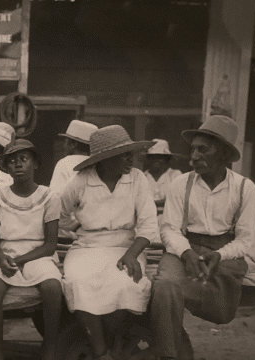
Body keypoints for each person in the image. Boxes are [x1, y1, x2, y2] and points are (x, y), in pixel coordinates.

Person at [150, 115, 255, 360]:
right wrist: (186, 253)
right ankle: (169, 355)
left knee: (221, 309)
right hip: (184, 247)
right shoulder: (180, 184)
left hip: (225, 251)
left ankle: (171, 320)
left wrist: (219, 255)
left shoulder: (245, 188)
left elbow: (244, 240)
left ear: (222, 153)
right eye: (193, 150)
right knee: (165, 286)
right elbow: (169, 229)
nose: (194, 157)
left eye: (203, 150)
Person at [58, 125, 159, 360]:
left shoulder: (137, 179)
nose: (130, 160)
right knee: (78, 282)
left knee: (125, 285)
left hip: (126, 246)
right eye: (124, 155)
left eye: (130, 154)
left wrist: (133, 254)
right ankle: (101, 350)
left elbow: (148, 224)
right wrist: (75, 227)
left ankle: (112, 340)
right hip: (87, 246)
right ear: (105, 159)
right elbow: (60, 214)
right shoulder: (81, 181)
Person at [0, 139, 63, 360]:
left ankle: (50, 347)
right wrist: (2, 258)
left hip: (39, 254)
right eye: (12, 161)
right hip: (6, 253)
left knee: (52, 286)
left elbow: (50, 245)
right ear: (6, 168)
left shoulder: (49, 197)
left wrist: (20, 261)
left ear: (35, 164)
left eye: (23, 159)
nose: (17, 164)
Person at [49, 120, 98, 193]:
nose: (64, 145)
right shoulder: (98, 163)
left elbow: (56, 197)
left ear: (73, 144)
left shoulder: (65, 163)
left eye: (66, 141)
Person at [143, 139, 182, 208]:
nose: (156, 160)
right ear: (148, 159)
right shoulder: (142, 177)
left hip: (169, 217)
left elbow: (177, 199)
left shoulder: (175, 175)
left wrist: (149, 204)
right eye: (153, 157)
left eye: (160, 157)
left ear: (166, 159)